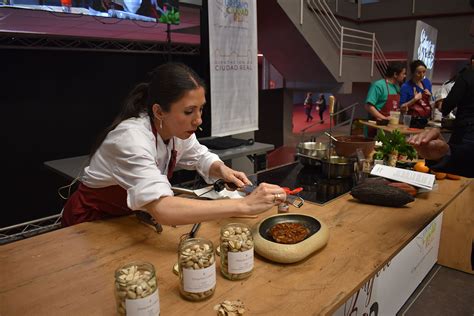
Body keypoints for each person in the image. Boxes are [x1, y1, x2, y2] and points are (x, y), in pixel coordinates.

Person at [62, 62, 286, 227]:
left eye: (201, 109)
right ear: (159, 111)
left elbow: (199, 156)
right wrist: (243, 205)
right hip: (91, 223)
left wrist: (223, 171)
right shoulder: (131, 140)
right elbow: (163, 209)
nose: (198, 120)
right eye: (189, 111)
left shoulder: (175, 129)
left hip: (127, 220)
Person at [408, 64, 474, 178]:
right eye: (419, 72)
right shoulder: (407, 86)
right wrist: (443, 155)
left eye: (424, 72)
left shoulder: (467, 76)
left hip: (465, 131)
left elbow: (446, 106)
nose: (422, 75)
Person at [364, 61, 407, 136]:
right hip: (376, 128)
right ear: (395, 74)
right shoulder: (378, 85)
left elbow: (393, 108)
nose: (404, 76)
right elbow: (368, 106)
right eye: (403, 73)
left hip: (390, 129)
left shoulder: (396, 88)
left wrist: (401, 110)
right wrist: (384, 119)